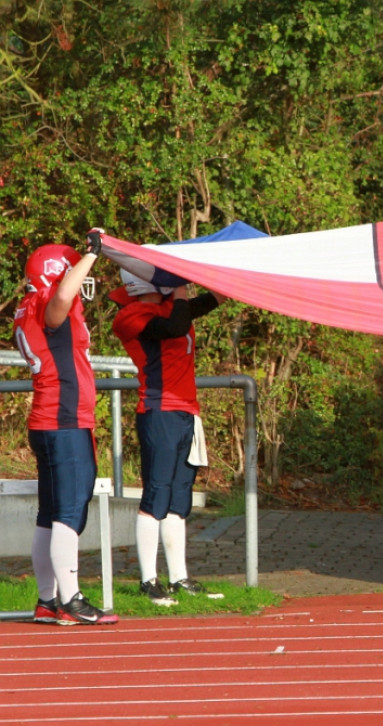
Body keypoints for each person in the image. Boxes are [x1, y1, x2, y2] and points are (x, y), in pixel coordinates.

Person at [16, 232, 119, 625]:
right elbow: (60, 299)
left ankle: (47, 600)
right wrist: (91, 255)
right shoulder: (48, 302)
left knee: (50, 512)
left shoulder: (26, 306)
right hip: (64, 419)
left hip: (49, 419)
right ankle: (71, 600)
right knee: (68, 512)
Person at [111, 270, 226, 602]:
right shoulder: (131, 315)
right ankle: (148, 579)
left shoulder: (171, 306)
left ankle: (179, 577)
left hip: (187, 411)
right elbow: (175, 325)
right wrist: (179, 290)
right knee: (157, 494)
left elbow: (205, 303)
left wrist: (226, 283)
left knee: (180, 498)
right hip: (159, 409)